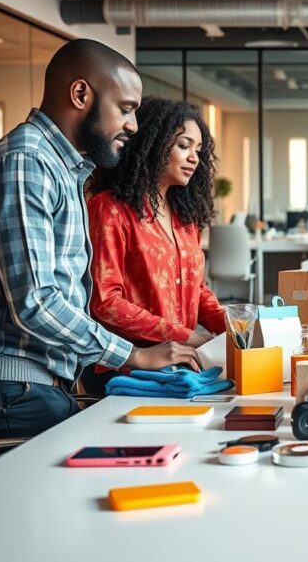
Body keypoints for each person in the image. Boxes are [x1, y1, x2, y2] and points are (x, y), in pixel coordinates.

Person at [0, 40, 200, 446]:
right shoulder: (27, 163)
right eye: (126, 109)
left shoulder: (62, 169)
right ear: (81, 94)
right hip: (7, 390)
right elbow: (37, 302)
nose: (133, 125)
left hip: (30, 387)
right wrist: (133, 355)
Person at [83, 98, 227, 395]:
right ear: (153, 144)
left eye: (198, 151)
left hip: (181, 365)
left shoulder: (185, 216)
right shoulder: (109, 209)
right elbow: (105, 301)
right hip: (128, 366)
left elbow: (197, 290)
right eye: (184, 146)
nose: (193, 158)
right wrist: (186, 337)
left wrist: (235, 326)